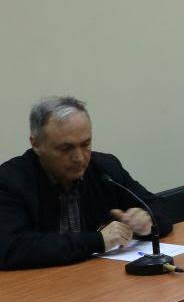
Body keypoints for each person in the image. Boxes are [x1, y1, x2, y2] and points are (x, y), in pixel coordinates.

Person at [0, 97, 174, 270]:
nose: (79, 158)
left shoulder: (105, 169)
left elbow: (160, 208)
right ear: (36, 144)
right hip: (39, 283)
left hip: (95, 278)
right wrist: (97, 241)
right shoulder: (10, 180)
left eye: (85, 145)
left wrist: (147, 221)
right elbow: (11, 247)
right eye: (65, 148)